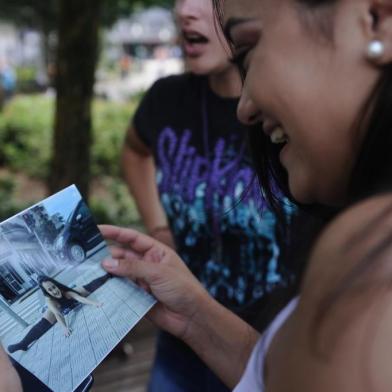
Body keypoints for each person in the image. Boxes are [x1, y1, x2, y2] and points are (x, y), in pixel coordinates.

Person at [97, 0, 392, 390]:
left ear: (376, 20)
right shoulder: (167, 98)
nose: (245, 108)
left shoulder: (368, 256)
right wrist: (197, 314)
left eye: (248, 49)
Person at [122, 0, 295, 390]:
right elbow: (134, 151)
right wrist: (158, 225)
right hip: (180, 336)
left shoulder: (294, 111)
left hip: (272, 349)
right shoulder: (166, 99)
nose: (185, 10)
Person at [7, 273, 110, 353]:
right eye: (50, 290)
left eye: (54, 287)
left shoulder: (66, 292)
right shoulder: (50, 301)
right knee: (45, 320)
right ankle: (23, 344)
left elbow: (79, 298)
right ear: (47, 292)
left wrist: (94, 303)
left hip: (70, 298)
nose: (54, 291)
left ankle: (108, 275)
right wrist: (64, 327)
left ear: (56, 285)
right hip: (58, 307)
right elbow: (58, 315)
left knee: (87, 288)